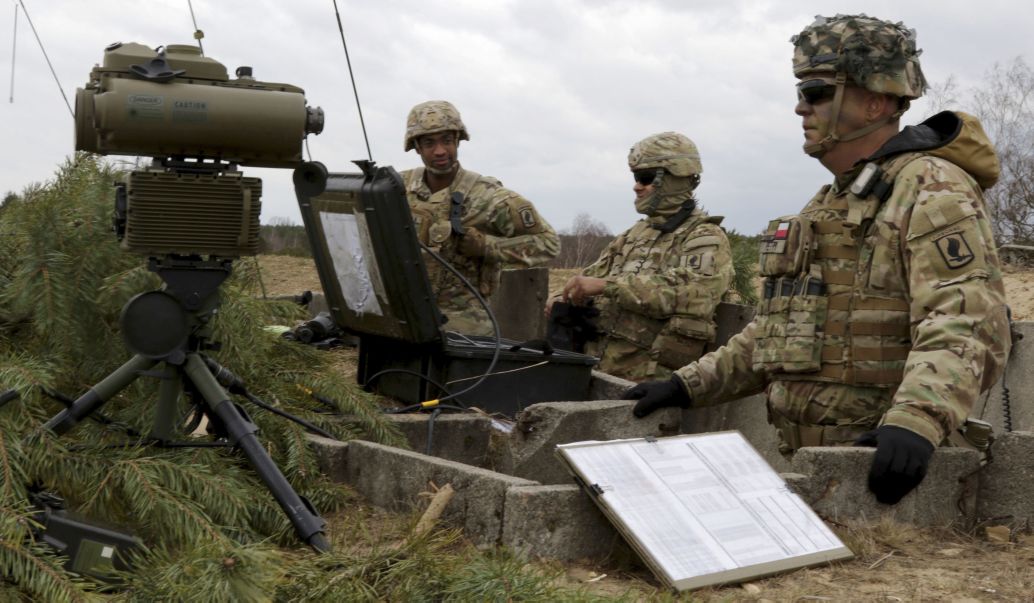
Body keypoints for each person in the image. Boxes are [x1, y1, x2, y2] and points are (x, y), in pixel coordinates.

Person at [626, 14, 1011, 505]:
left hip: (885, 477)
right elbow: (779, 333)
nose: (799, 107)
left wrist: (916, 422)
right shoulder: (832, 200)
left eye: (817, 92)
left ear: (875, 100)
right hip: (819, 472)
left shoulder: (931, 187)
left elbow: (966, 319)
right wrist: (685, 386)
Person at [547, 132, 734, 382]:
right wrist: (563, 297)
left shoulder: (704, 236)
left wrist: (608, 287)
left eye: (646, 178)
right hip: (598, 370)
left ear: (675, 178)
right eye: (636, 177)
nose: (637, 186)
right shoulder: (635, 234)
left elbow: (695, 295)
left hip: (649, 382)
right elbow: (591, 276)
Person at [401, 100, 559, 336]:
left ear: (458, 140)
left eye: (447, 140)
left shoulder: (488, 196)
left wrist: (488, 246)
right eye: (429, 142)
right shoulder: (397, 188)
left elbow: (548, 243)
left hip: (464, 327)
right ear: (416, 147)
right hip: (405, 317)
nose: (440, 151)